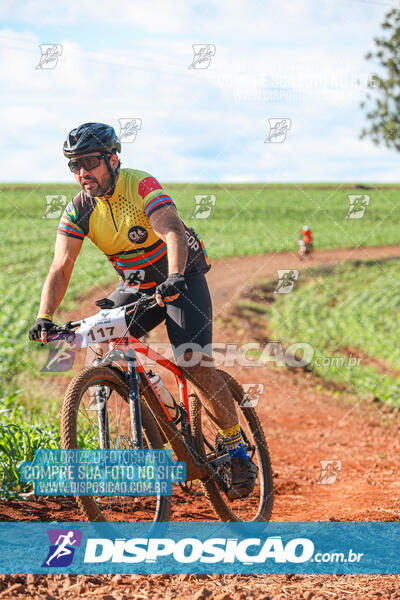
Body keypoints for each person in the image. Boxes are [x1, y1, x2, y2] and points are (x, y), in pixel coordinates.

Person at [28, 122, 257, 500]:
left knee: (192, 361)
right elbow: (61, 265)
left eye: (89, 163)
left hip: (180, 273)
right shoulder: (80, 209)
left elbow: (171, 232)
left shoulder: (140, 184)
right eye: (74, 166)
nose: (82, 173)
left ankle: (235, 450)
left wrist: (175, 275)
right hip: (136, 285)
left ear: (112, 160)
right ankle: (155, 418)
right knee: (106, 340)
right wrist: (44, 316)